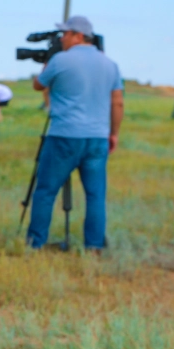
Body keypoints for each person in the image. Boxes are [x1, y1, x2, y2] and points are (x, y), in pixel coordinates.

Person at [28, 15, 123, 251]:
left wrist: (48, 62)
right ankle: (94, 245)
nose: (62, 38)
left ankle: (35, 243)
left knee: (46, 190)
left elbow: (39, 85)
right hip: (97, 137)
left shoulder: (60, 60)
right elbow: (118, 103)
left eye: (66, 34)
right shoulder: (110, 64)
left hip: (64, 135)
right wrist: (114, 133)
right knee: (95, 195)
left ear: (78, 35)